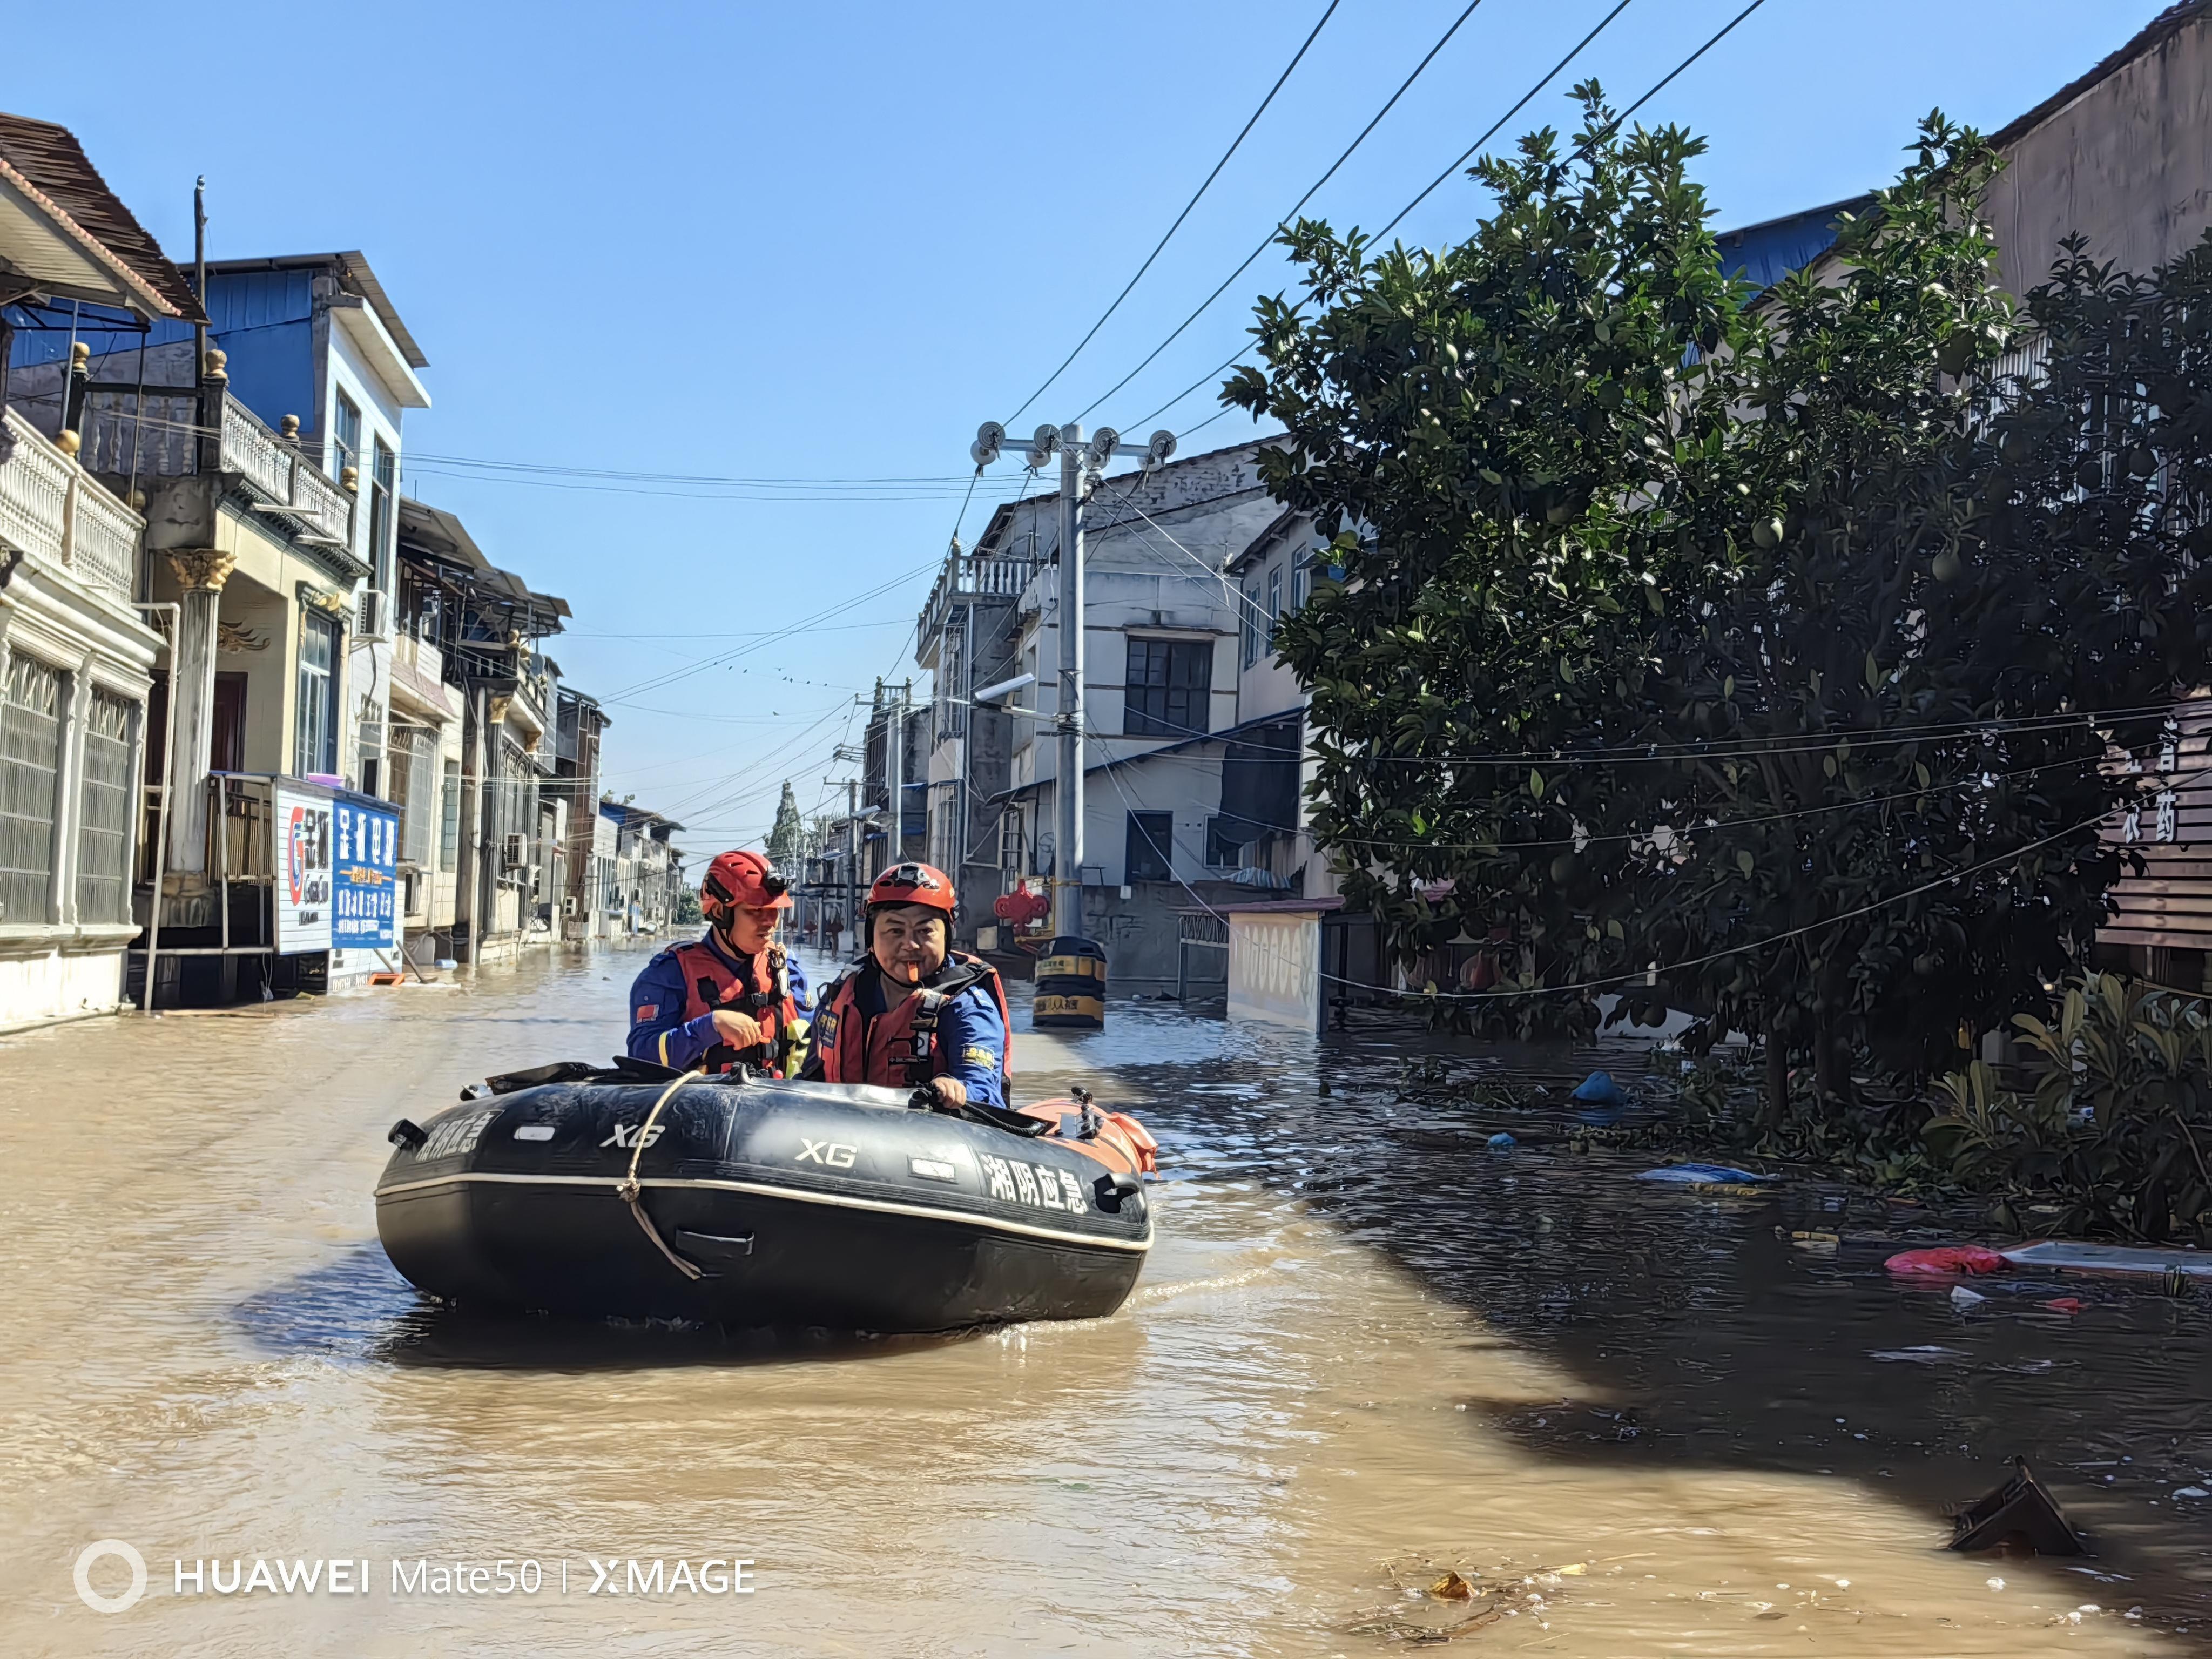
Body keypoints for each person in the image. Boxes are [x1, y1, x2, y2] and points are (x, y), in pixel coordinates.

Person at [801, 861, 1010, 1108]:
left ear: (946, 936)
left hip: (926, 1139)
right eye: (895, 931)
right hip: (841, 1135)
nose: (910, 945)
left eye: (925, 931)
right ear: (871, 937)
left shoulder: (968, 1008)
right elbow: (810, 1077)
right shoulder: (840, 994)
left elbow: (983, 1088)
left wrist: (956, 1089)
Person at [628, 849, 810, 1074]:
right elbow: (641, 1055)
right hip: (700, 1104)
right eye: (755, 911)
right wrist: (710, 1026)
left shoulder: (787, 968)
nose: (769, 923)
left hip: (773, 1102)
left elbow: (818, 1046)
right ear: (719, 911)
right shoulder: (670, 973)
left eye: (774, 911)